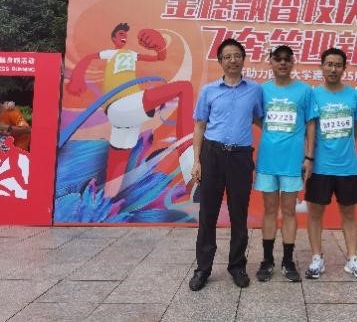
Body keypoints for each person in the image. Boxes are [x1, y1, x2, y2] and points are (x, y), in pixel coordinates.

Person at [67, 22, 194, 197]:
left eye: (125, 35)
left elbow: (159, 58)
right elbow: (88, 58)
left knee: (118, 161)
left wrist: (160, 48)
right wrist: (77, 78)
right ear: (114, 37)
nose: (123, 37)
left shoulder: (132, 54)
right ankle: (191, 172)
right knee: (184, 88)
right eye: (120, 34)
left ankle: (106, 200)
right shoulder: (110, 53)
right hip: (122, 104)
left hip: (126, 112)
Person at [189, 38, 263, 291]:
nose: (233, 60)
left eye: (237, 56)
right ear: (220, 61)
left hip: (240, 158)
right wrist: (196, 161)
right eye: (227, 56)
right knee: (207, 214)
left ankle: (237, 266)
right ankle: (203, 269)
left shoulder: (255, 90)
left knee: (238, 214)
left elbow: (261, 119)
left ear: (243, 59)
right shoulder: (209, 91)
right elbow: (200, 126)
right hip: (212, 155)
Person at [305, 47, 357, 280]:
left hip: (347, 167)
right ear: (322, 67)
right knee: (315, 214)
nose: (333, 69)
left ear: (344, 68)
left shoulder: (355, 96)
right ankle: (316, 258)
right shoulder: (313, 95)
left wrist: (343, 149)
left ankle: (352, 258)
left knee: (349, 214)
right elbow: (310, 129)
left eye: (338, 65)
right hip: (319, 167)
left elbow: (356, 129)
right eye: (329, 64)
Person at [254, 45, 316, 283]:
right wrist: (272, 132)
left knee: (289, 211)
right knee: (270, 210)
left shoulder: (304, 91)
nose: (282, 63)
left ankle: (288, 261)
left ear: (292, 63)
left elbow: (310, 124)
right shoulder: (262, 90)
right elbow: (258, 117)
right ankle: (267, 260)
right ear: (270, 61)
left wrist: (309, 157)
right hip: (268, 161)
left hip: (292, 162)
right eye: (277, 59)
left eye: (286, 59)